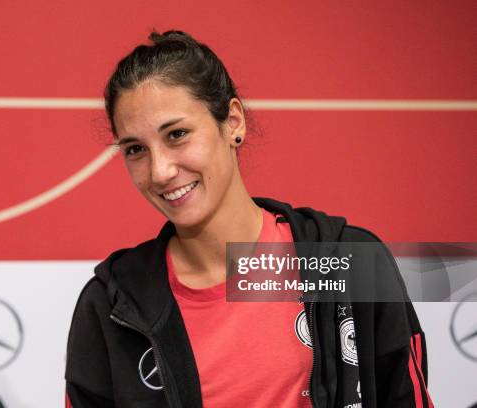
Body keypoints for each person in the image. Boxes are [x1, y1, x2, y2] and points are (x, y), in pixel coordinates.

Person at [64, 30, 433, 408]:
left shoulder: (344, 262)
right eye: (136, 149)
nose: (159, 172)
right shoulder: (112, 304)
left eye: (177, 134)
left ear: (233, 122)